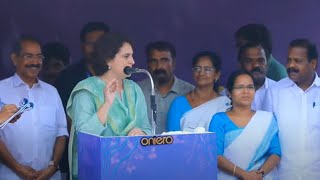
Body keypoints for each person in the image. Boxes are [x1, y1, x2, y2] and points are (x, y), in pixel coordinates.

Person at [67, 32, 152, 180]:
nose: (132, 61)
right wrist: (107, 104)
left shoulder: (134, 89)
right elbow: (84, 136)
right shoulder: (86, 90)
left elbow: (147, 128)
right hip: (97, 172)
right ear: (108, 59)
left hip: (133, 170)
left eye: (132, 56)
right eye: (126, 56)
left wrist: (142, 133)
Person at [0, 35, 68, 179]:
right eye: (28, 56)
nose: (35, 62)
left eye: (39, 57)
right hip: (10, 175)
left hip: (48, 175)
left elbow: (61, 133)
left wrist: (53, 166)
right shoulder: (1, 90)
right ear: (14, 59)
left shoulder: (52, 92)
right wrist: (18, 169)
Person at [54, 22, 110, 178]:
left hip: (115, 153)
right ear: (82, 47)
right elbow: (65, 117)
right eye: (91, 44)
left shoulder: (120, 76)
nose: (96, 48)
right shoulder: (67, 77)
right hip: (79, 155)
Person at [263, 39, 320, 179]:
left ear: (313, 64)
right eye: (288, 60)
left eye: (297, 61)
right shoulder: (275, 91)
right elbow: (265, 136)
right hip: (282, 175)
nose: (290, 65)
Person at [209, 70, 281, 180]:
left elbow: (276, 153)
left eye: (250, 87)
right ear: (229, 92)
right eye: (239, 87)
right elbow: (215, 155)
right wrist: (243, 174)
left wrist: (259, 174)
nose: (246, 91)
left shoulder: (267, 119)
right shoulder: (219, 119)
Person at [137, 41, 194, 134]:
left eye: (164, 60)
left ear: (174, 63)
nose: (159, 66)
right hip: (144, 147)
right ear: (148, 64)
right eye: (154, 61)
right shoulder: (137, 90)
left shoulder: (190, 92)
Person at [167, 51, 230, 131]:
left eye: (207, 69)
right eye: (197, 68)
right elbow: (173, 138)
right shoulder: (178, 103)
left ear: (217, 74)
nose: (201, 73)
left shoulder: (225, 104)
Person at [238, 42, 276, 110]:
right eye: (249, 61)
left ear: (267, 63)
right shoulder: (228, 95)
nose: (256, 65)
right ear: (240, 64)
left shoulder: (279, 91)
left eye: (261, 61)